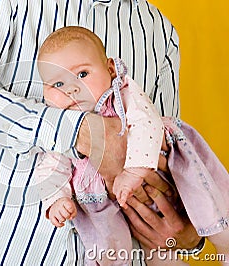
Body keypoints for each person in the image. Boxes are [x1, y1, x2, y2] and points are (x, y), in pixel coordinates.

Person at [0, 0, 203, 265]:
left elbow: (168, 159)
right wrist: (80, 132)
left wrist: (190, 235)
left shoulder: (159, 32)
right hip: (4, 249)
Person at [34, 26, 229, 265]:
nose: (72, 89)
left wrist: (133, 170)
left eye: (83, 74)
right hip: (117, 205)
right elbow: (50, 166)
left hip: (165, 172)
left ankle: (223, 241)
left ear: (110, 69)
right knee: (127, 247)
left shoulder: (122, 94)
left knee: (201, 197)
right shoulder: (59, 125)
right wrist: (56, 199)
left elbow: (146, 122)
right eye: (58, 85)